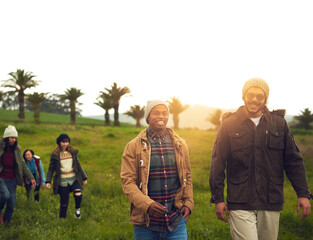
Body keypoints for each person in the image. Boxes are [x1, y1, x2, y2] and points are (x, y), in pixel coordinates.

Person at [209, 78, 312, 240]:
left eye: (260, 96)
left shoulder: (279, 124)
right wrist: (218, 198)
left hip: (271, 200)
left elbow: (293, 161)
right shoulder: (229, 124)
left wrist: (303, 194)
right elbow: (217, 162)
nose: (255, 100)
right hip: (240, 199)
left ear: (266, 99)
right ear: (243, 96)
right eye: (251, 95)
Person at [121, 100, 194, 240]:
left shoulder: (180, 144)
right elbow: (127, 182)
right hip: (145, 224)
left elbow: (187, 176)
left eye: (165, 113)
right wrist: (147, 205)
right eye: (156, 113)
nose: (161, 116)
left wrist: (189, 203)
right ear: (148, 117)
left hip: (175, 222)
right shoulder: (133, 146)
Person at [46, 133, 87, 219]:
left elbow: (78, 165)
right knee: (64, 203)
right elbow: (51, 169)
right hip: (63, 181)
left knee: (78, 194)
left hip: (74, 179)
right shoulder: (55, 154)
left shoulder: (72, 152)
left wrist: (84, 177)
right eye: (63, 142)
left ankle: (77, 209)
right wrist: (48, 181)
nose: (65, 144)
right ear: (59, 143)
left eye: (66, 142)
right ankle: (62, 220)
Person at [0, 125, 36, 224]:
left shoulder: (17, 148)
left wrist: (31, 177)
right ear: (7, 137)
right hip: (1, 177)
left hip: (12, 179)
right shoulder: (0, 145)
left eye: (15, 138)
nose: (14, 140)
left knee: (12, 203)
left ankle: (6, 223)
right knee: (5, 195)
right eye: (12, 137)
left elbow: (22, 163)